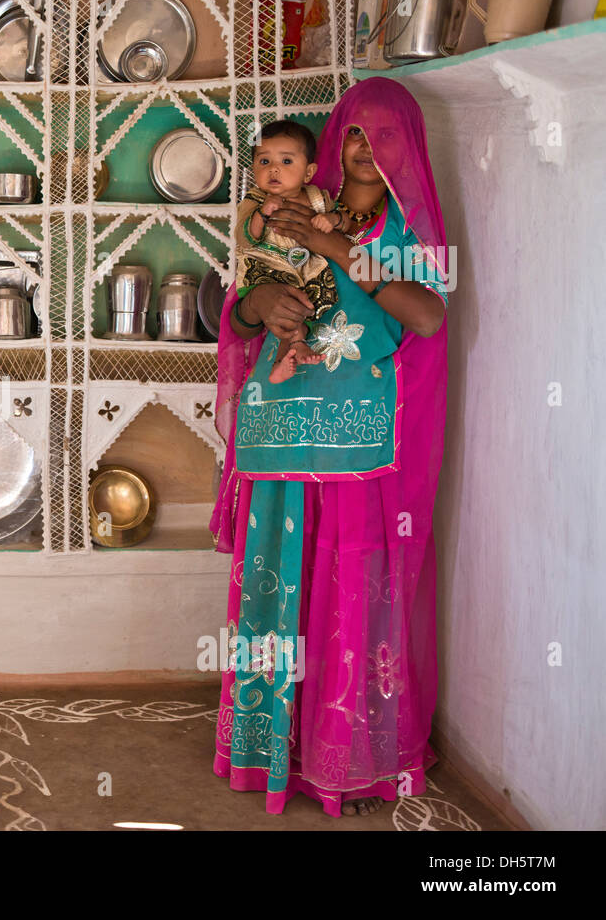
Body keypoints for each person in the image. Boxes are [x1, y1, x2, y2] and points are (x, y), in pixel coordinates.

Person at [210, 77, 451, 817]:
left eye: (383, 137)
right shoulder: (283, 209)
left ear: (405, 149)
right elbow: (240, 306)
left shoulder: (407, 230)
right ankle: (264, 748)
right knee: (278, 587)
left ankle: (348, 758)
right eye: (353, 132)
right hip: (280, 429)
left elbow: (428, 316)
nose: (365, 149)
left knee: (352, 594)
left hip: (358, 443)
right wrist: (257, 302)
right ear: (334, 140)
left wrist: (334, 248)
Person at [235, 119, 359, 383]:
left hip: (305, 271)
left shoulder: (317, 198)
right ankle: (286, 353)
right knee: (284, 309)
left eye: (287, 161)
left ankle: (293, 349)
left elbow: (346, 222)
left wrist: (333, 220)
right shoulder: (254, 200)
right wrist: (261, 215)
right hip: (266, 270)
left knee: (310, 301)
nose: (274, 169)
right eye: (264, 161)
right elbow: (244, 239)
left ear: (308, 172)